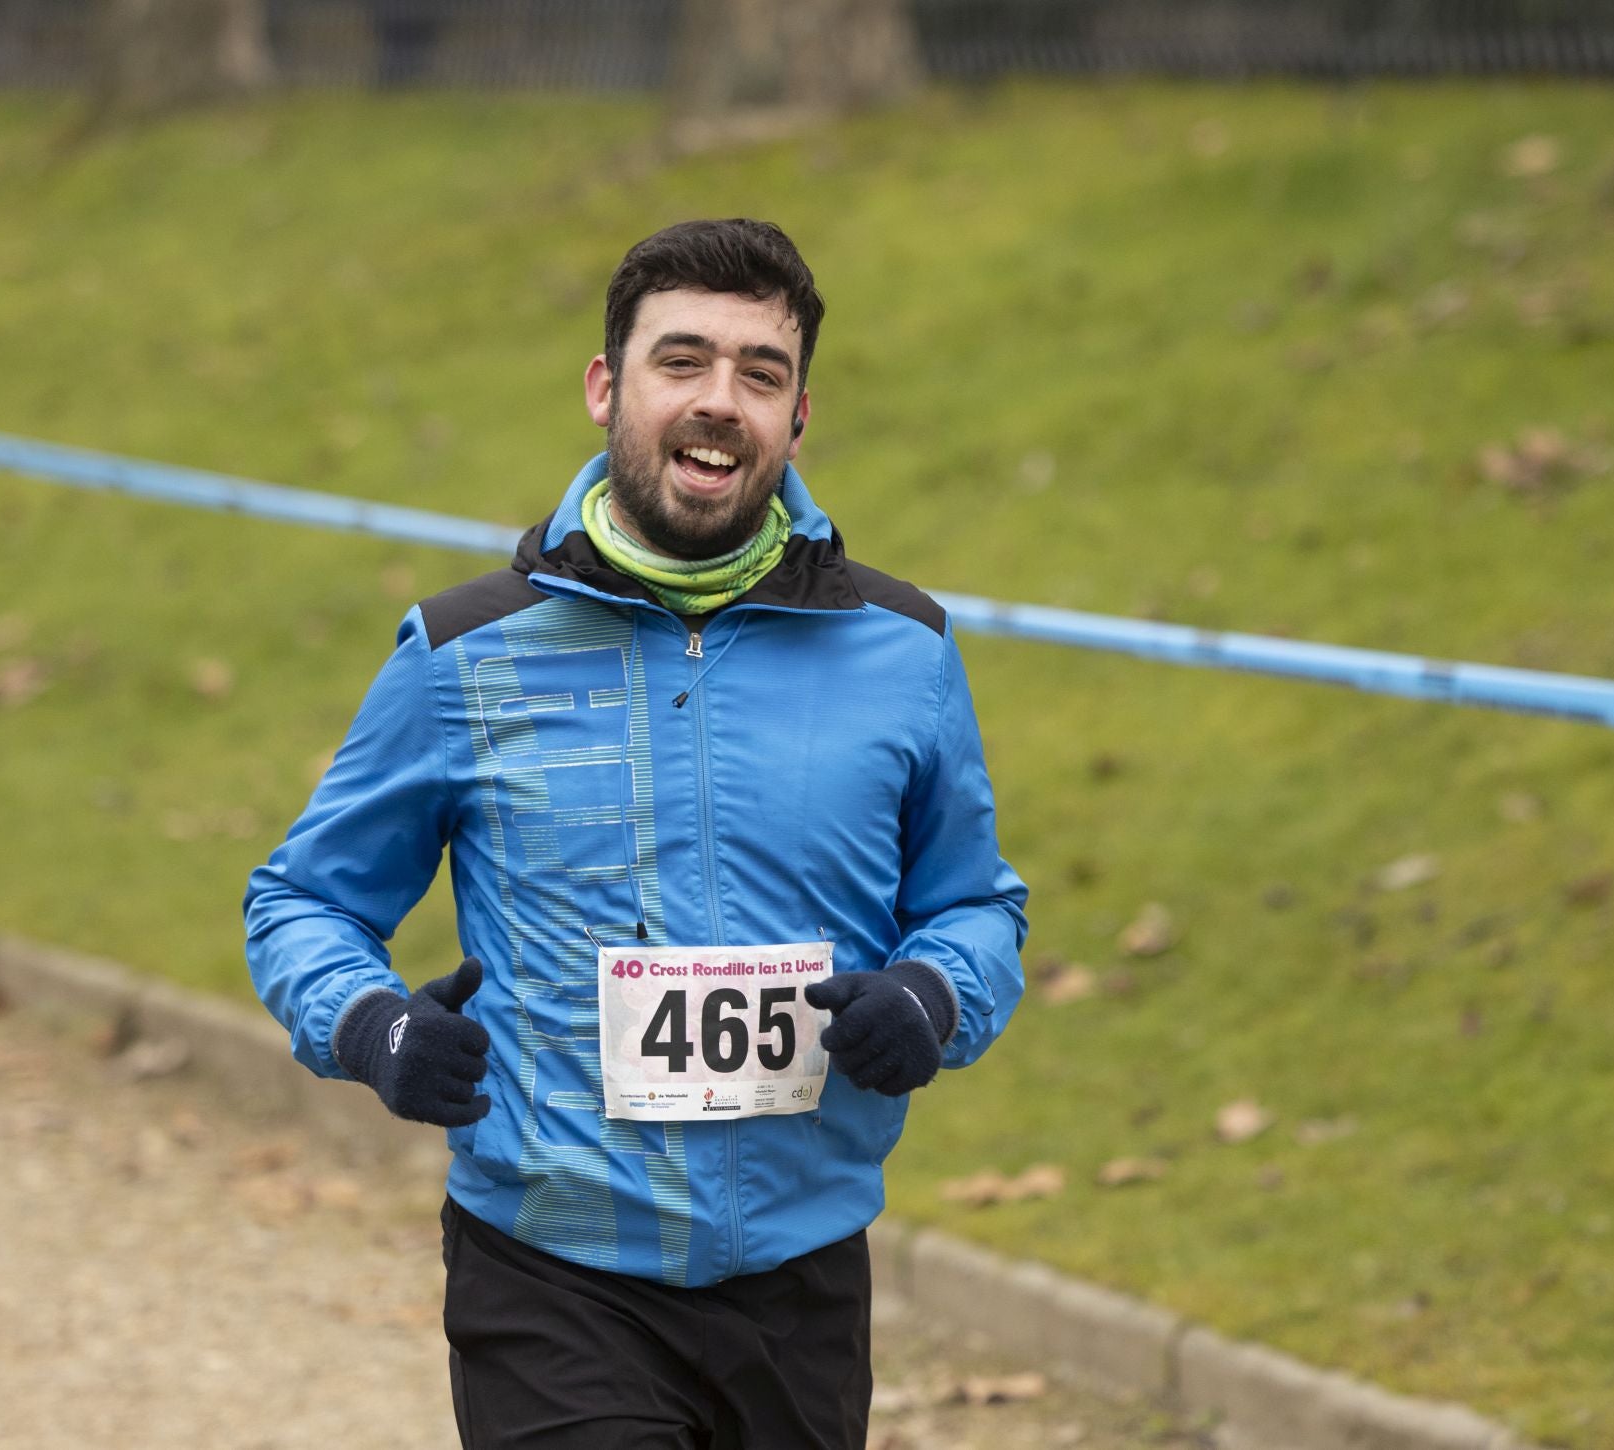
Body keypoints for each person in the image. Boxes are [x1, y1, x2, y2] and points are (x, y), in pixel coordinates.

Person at [243, 217, 1028, 1449]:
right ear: (607, 387)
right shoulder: (466, 655)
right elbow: (302, 900)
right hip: (551, 1270)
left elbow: (977, 903)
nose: (721, 402)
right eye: (683, 360)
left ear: (799, 416)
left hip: (803, 1274)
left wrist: (933, 996)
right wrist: (372, 1023)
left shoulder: (905, 651)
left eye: (759, 374)